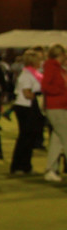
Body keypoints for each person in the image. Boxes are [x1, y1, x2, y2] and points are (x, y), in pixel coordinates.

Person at [10, 49, 43, 175]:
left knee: (30, 137)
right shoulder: (26, 75)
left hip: (30, 107)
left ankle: (26, 166)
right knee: (24, 137)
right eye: (39, 59)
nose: (41, 61)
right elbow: (27, 94)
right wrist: (40, 95)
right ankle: (17, 166)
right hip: (25, 107)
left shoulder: (35, 74)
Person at [40, 44, 67, 182]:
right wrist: (61, 91)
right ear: (59, 55)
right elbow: (45, 86)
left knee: (57, 141)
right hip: (55, 107)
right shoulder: (51, 67)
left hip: (60, 107)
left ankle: (50, 170)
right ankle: (50, 170)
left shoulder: (58, 68)